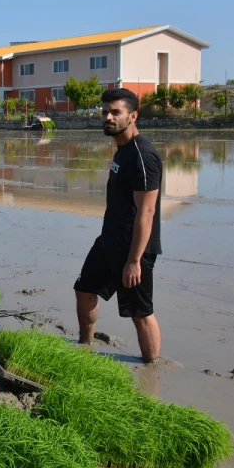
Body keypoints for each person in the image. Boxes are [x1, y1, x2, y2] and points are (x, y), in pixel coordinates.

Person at [74, 88, 163, 363]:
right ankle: (84, 347)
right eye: (105, 113)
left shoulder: (142, 156)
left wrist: (134, 260)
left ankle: (152, 368)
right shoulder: (123, 150)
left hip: (133, 248)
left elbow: (146, 213)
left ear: (133, 116)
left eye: (116, 112)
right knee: (84, 290)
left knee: (140, 312)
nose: (108, 118)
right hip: (108, 241)